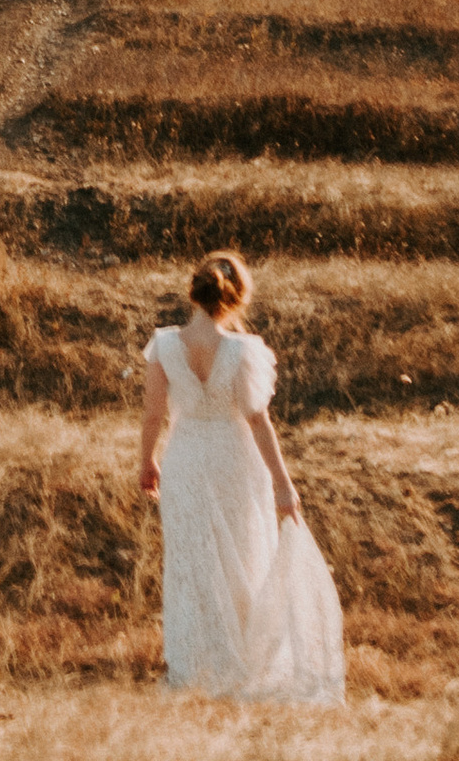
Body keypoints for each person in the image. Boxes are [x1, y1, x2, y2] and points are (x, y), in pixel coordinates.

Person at [139, 252, 344, 703]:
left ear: (194, 291)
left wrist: (147, 461)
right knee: (244, 556)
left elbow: (153, 413)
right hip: (234, 459)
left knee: (191, 563)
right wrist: (283, 484)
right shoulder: (241, 350)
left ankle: (194, 665)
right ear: (235, 299)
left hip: (186, 458)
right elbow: (257, 421)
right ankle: (244, 659)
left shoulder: (164, 345)